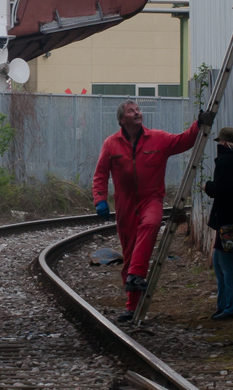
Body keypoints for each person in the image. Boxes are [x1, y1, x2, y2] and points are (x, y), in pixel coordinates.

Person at [92, 100, 215, 322]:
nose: (138, 112)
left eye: (138, 109)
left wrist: (198, 124)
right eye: (132, 111)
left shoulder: (157, 138)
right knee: (130, 253)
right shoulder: (111, 144)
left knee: (151, 224)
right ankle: (132, 307)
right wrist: (100, 199)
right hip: (125, 203)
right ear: (122, 119)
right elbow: (100, 174)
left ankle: (135, 276)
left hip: (151, 198)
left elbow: (183, 141)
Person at [203, 126, 233, 320]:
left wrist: (208, 186)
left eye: (219, 142)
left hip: (228, 221)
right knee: (219, 260)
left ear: (224, 143)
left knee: (226, 263)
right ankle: (224, 304)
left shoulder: (226, 161)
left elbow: (221, 189)